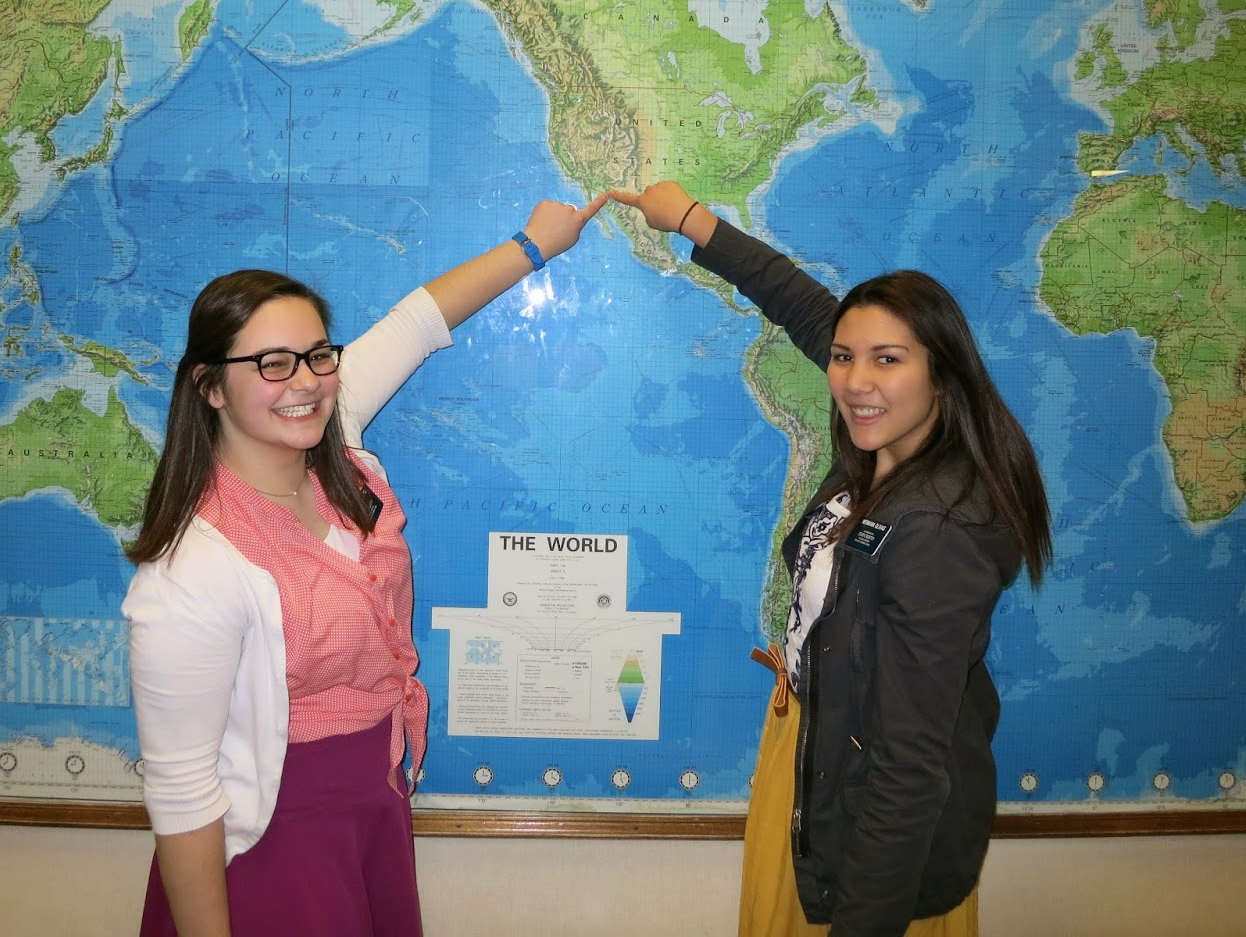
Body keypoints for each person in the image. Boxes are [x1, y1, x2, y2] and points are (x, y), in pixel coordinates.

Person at [122, 194, 608, 937]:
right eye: (271, 363)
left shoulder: (331, 447)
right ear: (211, 386)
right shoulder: (193, 570)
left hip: (371, 808)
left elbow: (417, 323)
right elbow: (182, 794)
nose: (306, 381)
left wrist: (535, 244)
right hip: (270, 840)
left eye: (318, 355)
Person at [610, 182, 1051, 937]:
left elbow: (907, 767)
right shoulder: (886, 452)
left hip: (870, 813)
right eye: (845, 357)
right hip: (815, 758)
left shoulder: (936, 530)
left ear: (941, 374)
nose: (853, 380)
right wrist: (691, 222)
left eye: (887, 359)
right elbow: (808, 308)